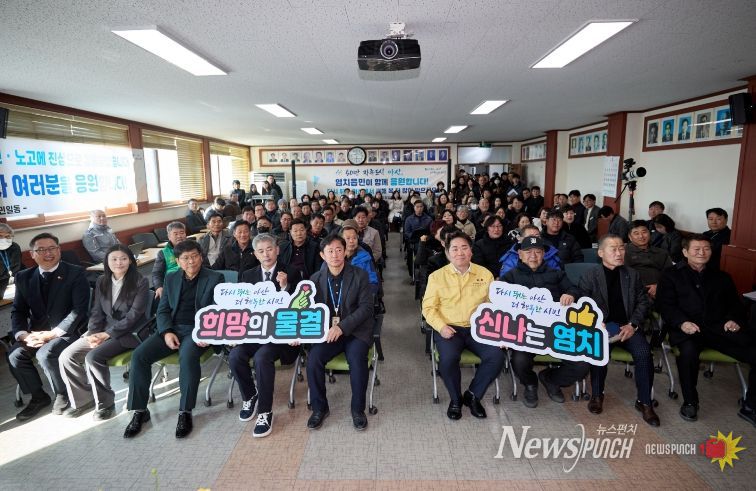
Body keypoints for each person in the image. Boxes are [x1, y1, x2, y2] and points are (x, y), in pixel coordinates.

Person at [123, 240, 224, 439]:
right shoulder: (171, 278)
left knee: (187, 357)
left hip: (198, 330)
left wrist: (205, 332)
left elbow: (217, 310)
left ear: (201, 257)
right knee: (139, 356)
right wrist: (167, 331)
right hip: (173, 328)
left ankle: (185, 411)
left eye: (194, 256)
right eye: (185, 258)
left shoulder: (215, 277)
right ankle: (140, 410)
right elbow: (163, 310)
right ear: (177, 261)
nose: (191, 261)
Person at [657, 235, 756, 426]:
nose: (702, 253)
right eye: (696, 249)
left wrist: (734, 319)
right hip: (688, 329)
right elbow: (665, 305)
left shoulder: (722, 277)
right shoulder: (670, 275)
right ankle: (690, 402)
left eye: (706, 249)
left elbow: (735, 305)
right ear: (685, 252)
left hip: (718, 328)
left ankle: (751, 405)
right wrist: (682, 322)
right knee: (688, 354)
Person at [58, 244, 150, 420]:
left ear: (131, 261)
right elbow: (97, 311)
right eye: (114, 259)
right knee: (66, 356)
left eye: (123, 259)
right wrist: (93, 333)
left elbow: (134, 315)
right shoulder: (102, 281)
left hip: (129, 333)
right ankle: (83, 400)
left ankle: (105, 404)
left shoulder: (140, 281)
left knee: (93, 357)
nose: (119, 263)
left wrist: (107, 334)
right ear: (106, 262)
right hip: (102, 330)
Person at [422, 231, 505, 420]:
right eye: (455, 249)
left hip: (479, 328)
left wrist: (500, 333)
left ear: (471, 251)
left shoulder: (484, 274)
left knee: (496, 357)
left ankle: (473, 395)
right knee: (448, 359)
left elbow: (494, 306)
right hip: (450, 328)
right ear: (447, 253)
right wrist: (441, 327)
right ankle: (456, 399)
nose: (460, 253)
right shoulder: (437, 277)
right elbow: (428, 308)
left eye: (464, 248)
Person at [578, 235, 659, 426]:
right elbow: (582, 302)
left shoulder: (632, 274)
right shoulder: (590, 275)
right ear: (601, 253)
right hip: (602, 327)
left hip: (627, 327)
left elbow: (643, 302)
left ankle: (645, 402)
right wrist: (595, 322)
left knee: (644, 353)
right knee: (598, 352)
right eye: (613, 249)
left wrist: (633, 324)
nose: (619, 253)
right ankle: (597, 395)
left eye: (621, 248)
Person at [9, 233, 90, 421]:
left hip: (69, 331)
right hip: (36, 332)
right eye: (42, 250)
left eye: (52, 248)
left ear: (59, 250)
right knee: (15, 355)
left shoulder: (75, 273)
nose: (48, 253)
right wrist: (23, 335)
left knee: (46, 354)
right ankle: (38, 397)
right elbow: (18, 310)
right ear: (32, 254)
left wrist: (52, 334)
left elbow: (79, 310)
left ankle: (63, 394)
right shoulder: (24, 277)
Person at [502, 236, 588, 408]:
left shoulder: (555, 273)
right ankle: (530, 384)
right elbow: (500, 304)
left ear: (544, 255)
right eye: (528, 252)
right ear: (520, 254)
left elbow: (575, 288)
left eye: (538, 252)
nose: (533, 256)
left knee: (582, 364)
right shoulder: (510, 277)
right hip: (526, 331)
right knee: (519, 361)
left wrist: (571, 294)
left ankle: (551, 379)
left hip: (556, 331)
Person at [231, 233, 302, 438]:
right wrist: (233, 333)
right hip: (255, 332)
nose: (266, 254)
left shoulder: (292, 272)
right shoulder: (247, 275)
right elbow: (240, 308)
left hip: (281, 335)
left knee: (262, 357)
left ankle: (265, 412)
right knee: (235, 356)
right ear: (255, 254)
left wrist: (285, 288)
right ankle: (250, 396)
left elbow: (300, 305)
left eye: (269, 249)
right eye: (261, 251)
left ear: (277, 250)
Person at [306, 235, 375, 430]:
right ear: (322, 255)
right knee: (313, 360)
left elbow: (366, 308)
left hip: (356, 331)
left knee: (357, 360)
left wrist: (342, 327)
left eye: (338, 250)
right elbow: (308, 311)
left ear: (345, 252)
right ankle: (320, 408)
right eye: (330, 251)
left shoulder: (360, 275)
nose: (335, 255)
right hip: (329, 333)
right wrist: (299, 333)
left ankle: (357, 410)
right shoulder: (315, 279)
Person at [624, 220, 673, 300]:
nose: (641, 236)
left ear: (649, 233)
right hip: (634, 294)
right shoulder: (624, 253)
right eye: (636, 233)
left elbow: (670, 274)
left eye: (644, 232)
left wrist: (659, 286)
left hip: (661, 292)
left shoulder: (661, 253)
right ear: (630, 237)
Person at [152, 222, 187, 298]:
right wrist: (159, 287)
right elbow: (157, 273)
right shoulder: (163, 253)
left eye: (182, 233)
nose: (179, 236)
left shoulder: (194, 248)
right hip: (172, 286)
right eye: (175, 234)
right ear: (169, 236)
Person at [0, 223, 22, 299]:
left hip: (14, 279)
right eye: (0, 236)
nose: (3, 239)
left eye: (7, 236)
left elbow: (18, 266)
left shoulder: (15, 247)